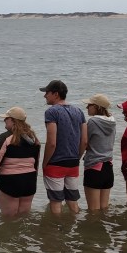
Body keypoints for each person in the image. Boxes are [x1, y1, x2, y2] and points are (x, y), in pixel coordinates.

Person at [40, 79, 88, 215]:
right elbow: (84, 141)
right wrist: (77, 157)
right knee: (72, 200)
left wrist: (45, 162)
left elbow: (52, 142)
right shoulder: (79, 111)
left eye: (47, 93)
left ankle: (56, 233)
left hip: (56, 162)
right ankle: (75, 228)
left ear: (56, 94)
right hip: (73, 162)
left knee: (55, 201)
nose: (45, 96)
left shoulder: (51, 112)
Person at [0, 106, 40, 218]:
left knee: (8, 219)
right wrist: (33, 176)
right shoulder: (33, 138)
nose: (4, 120)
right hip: (29, 181)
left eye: (7, 118)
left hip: (9, 181)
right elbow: (36, 161)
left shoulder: (5, 137)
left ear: (13, 121)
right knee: (24, 217)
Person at [81, 93, 116, 211]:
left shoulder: (92, 122)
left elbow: (84, 142)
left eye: (89, 105)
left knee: (93, 211)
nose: (87, 108)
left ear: (97, 107)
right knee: (104, 208)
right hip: (108, 167)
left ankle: (93, 229)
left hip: (94, 167)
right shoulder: (112, 122)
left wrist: (78, 156)